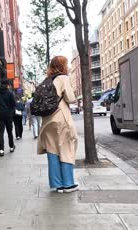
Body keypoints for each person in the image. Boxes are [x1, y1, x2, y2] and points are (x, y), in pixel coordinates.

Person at [37, 56, 79, 193]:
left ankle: (57, 184)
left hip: (47, 120)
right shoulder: (63, 78)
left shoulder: (46, 80)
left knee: (52, 150)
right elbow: (71, 98)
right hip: (61, 117)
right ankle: (68, 184)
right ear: (62, 66)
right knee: (66, 147)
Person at [0, 79, 16, 157]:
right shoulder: (10, 93)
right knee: (9, 132)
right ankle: (11, 147)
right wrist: (11, 112)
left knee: (0, 133)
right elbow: (13, 104)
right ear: (7, 84)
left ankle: (1, 150)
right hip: (8, 115)